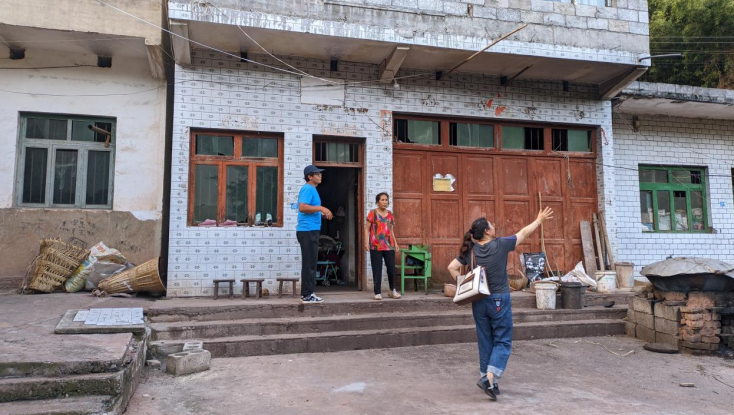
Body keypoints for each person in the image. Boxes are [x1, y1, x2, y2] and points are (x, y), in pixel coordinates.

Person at [447, 207, 553, 401]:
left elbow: (451, 267)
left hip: (478, 300)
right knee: (503, 340)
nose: (494, 226)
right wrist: (539, 221)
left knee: (485, 339)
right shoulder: (500, 245)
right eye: (491, 225)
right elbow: (523, 233)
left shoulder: (470, 251)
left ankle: (488, 380)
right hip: (499, 299)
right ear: (487, 231)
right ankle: (490, 378)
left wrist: (463, 282)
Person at [297, 165, 333, 304]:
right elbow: (302, 207)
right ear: (310, 177)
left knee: (311, 262)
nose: (320, 175)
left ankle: (309, 293)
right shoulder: (308, 188)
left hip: (311, 230)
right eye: (317, 174)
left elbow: (309, 209)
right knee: (309, 264)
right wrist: (321, 208)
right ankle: (307, 295)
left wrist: (320, 214)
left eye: (320, 173)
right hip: (307, 231)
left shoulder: (313, 189)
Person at [364, 192, 401, 300]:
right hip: (375, 246)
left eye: (386, 200)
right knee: (377, 269)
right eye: (382, 200)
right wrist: (366, 242)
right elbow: (367, 229)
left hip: (389, 246)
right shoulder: (372, 213)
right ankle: (377, 293)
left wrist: (395, 243)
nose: (385, 202)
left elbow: (391, 230)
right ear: (377, 202)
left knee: (391, 269)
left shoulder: (390, 214)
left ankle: (392, 290)